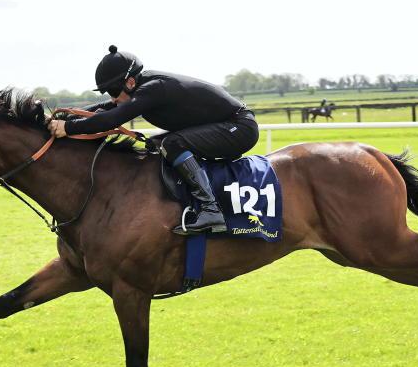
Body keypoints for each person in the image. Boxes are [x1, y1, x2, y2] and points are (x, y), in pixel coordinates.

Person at [47, 45, 259, 235]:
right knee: (156, 143)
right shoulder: (141, 89)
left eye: (113, 90)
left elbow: (111, 119)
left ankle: (211, 210)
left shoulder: (153, 89)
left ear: (130, 82)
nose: (112, 97)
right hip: (224, 125)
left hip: (240, 127)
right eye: (107, 91)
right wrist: (62, 118)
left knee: (172, 144)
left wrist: (68, 127)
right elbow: (104, 109)